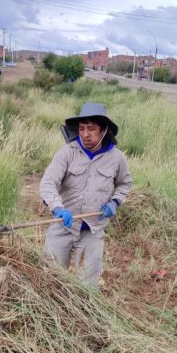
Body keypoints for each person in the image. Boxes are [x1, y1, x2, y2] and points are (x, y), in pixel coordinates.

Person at [39, 102, 132, 290]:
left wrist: (115, 202)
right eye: (81, 128)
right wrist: (58, 208)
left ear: (104, 130)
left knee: (88, 287)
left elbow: (125, 183)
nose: (85, 134)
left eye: (91, 129)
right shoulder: (67, 153)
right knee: (48, 278)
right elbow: (48, 183)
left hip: (93, 230)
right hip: (63, 226)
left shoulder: (117, 158)